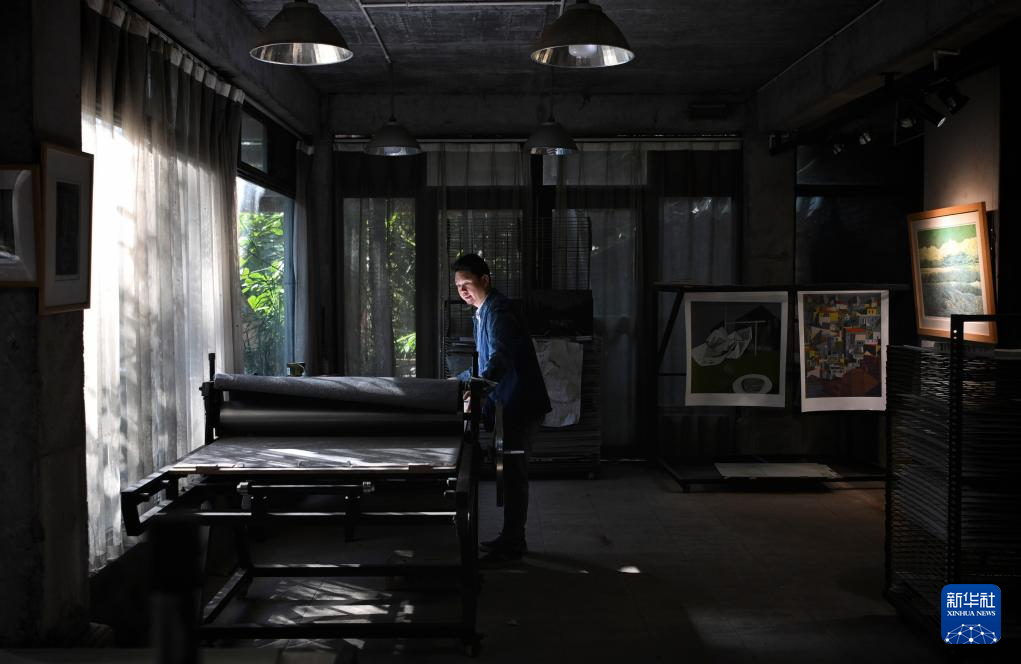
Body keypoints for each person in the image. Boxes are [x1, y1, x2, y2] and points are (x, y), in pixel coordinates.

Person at [452, 253, 551, 562]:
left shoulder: (499, 311)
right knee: (510, 476)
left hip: (520, 404)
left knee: (514, 476)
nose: (462, 291)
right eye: (458, 287)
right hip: (509, 404)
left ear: (485, 280)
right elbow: (483, 363)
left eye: (467, 284)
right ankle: (511, 538)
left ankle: (513, 543)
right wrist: (456, 383)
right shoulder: (483, 312)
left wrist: (478, 388)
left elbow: (499, 358)